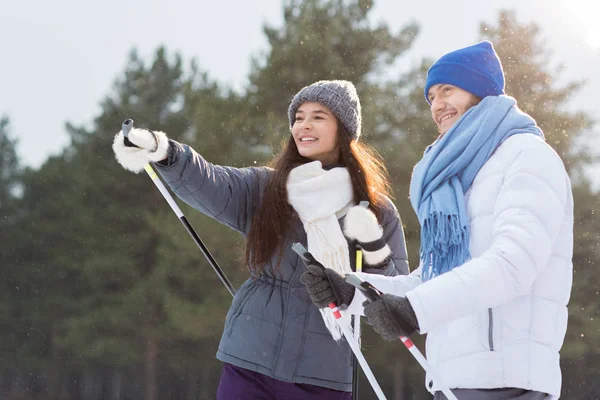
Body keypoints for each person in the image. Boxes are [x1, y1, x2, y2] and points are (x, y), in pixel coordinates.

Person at [300, 42, 574, 400]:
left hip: (507, 381)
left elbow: (514, 264)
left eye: (448, 89)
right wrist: (352, 289)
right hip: (450, 378)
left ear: (482, 89)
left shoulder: (527, 156)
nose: (438, 104)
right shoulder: (460, 179)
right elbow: (433, 279)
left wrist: (417, 310)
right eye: (431, 96)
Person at [112, 80, 409, 399]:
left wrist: (374, 249)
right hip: (250, 361)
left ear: (344, 129)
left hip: (323, 374)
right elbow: (213, 182)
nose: (304, 125)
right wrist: (165, 151)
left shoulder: (375, 210)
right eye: (298, 117)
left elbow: (397, 298)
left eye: (318, 116)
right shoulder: (267, 190)